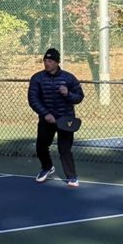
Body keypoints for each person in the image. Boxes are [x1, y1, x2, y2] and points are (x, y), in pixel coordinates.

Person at [28, 47, 83, 187]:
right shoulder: (37, 78)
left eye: (50, 61)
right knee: (41, 146)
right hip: (47, 119)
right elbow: (33, 99)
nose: (47, 63)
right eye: (45, 60)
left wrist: (68, 94)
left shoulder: (69, 78)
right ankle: (47, 167)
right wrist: (46, 114)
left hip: (66, 120)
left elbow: (79, 97)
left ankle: (72, 177)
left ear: (57, 62)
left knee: (64, 149)